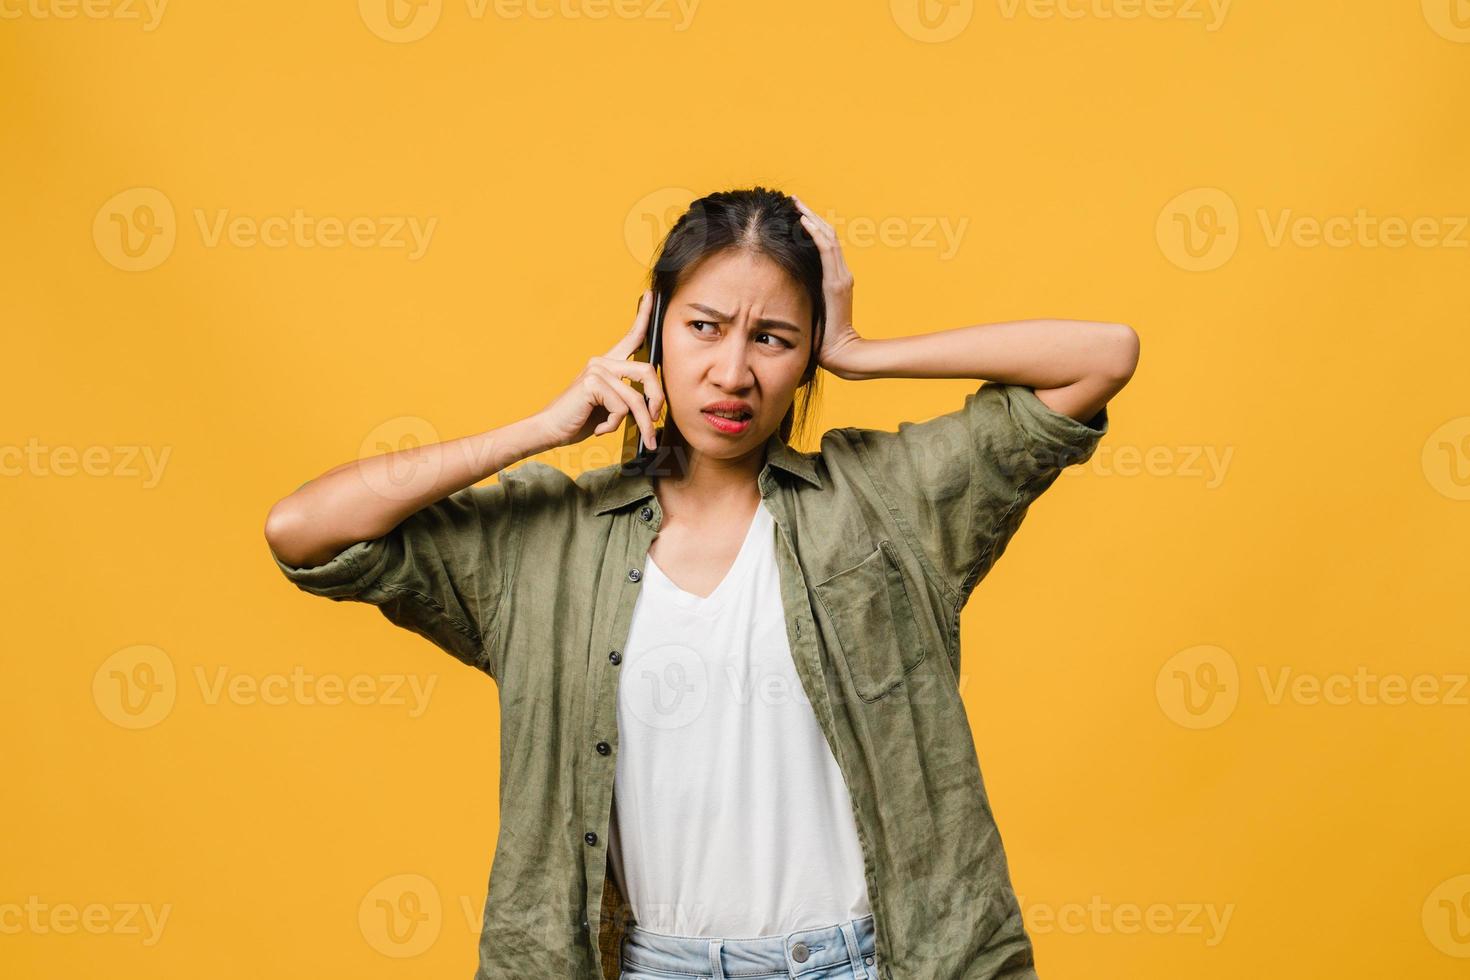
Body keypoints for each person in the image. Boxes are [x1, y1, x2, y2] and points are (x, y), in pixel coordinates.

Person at [264, 186, 1138, 980]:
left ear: (805, 359)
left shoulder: (887, 503)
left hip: (865, 963)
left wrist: (863, 352)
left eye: (773, 338)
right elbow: (304, 530)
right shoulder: (546, 545)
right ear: (653, 331)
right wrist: (540, 427)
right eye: (704, 327)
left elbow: (1103, 354)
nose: (732, 373)